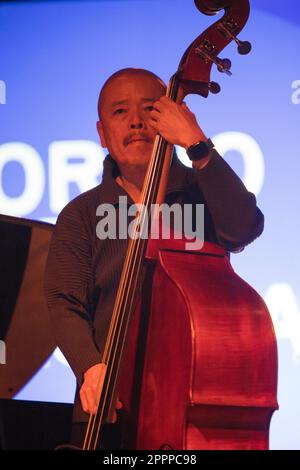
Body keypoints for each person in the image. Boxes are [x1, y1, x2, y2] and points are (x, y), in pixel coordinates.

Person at [44, 67, 264, 448]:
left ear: (170, 117)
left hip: (194, 408)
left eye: (149, 109)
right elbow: (65, 302)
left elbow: (245, 227)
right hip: (108, 408)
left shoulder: (203, 190)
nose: (136, 122)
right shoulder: (81, 215)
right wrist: (90, 367)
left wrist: (197, 143)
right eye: (119, 112)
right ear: (101, 134)